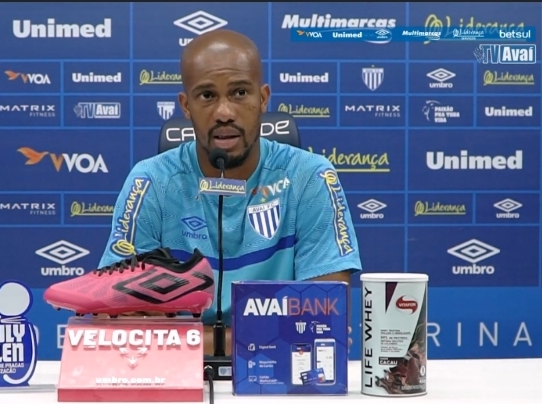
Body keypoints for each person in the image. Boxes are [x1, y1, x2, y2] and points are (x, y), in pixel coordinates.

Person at [48, 29, 363, 356]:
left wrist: (180, 340)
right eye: (207, 95)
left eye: (240, 92)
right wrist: (264, 338)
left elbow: (326, 325)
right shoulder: (151, 182)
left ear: (263, 98)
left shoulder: (309, 176)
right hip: (177, 378)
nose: (224, 112)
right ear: (186, 106)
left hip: (277, 377)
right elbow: (116, 327)